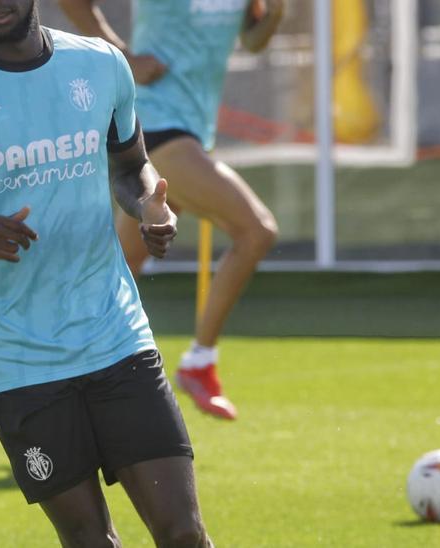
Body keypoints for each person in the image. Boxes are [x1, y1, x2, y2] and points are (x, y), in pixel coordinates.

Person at [0, 0, 211, 544]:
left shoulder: (100, 66)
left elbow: (129, 167)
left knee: (184, 534)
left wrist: (148, 205)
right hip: (20, 363)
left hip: (116, 337)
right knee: (90, 541)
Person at [58, 0, 284, 421]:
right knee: (256, 230)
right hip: (153, 126)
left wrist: (276, 12)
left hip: (190, 130)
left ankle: (65, 375)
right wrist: (124, 56)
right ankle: (200, 361)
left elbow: (252, 42)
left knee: (116, 271)